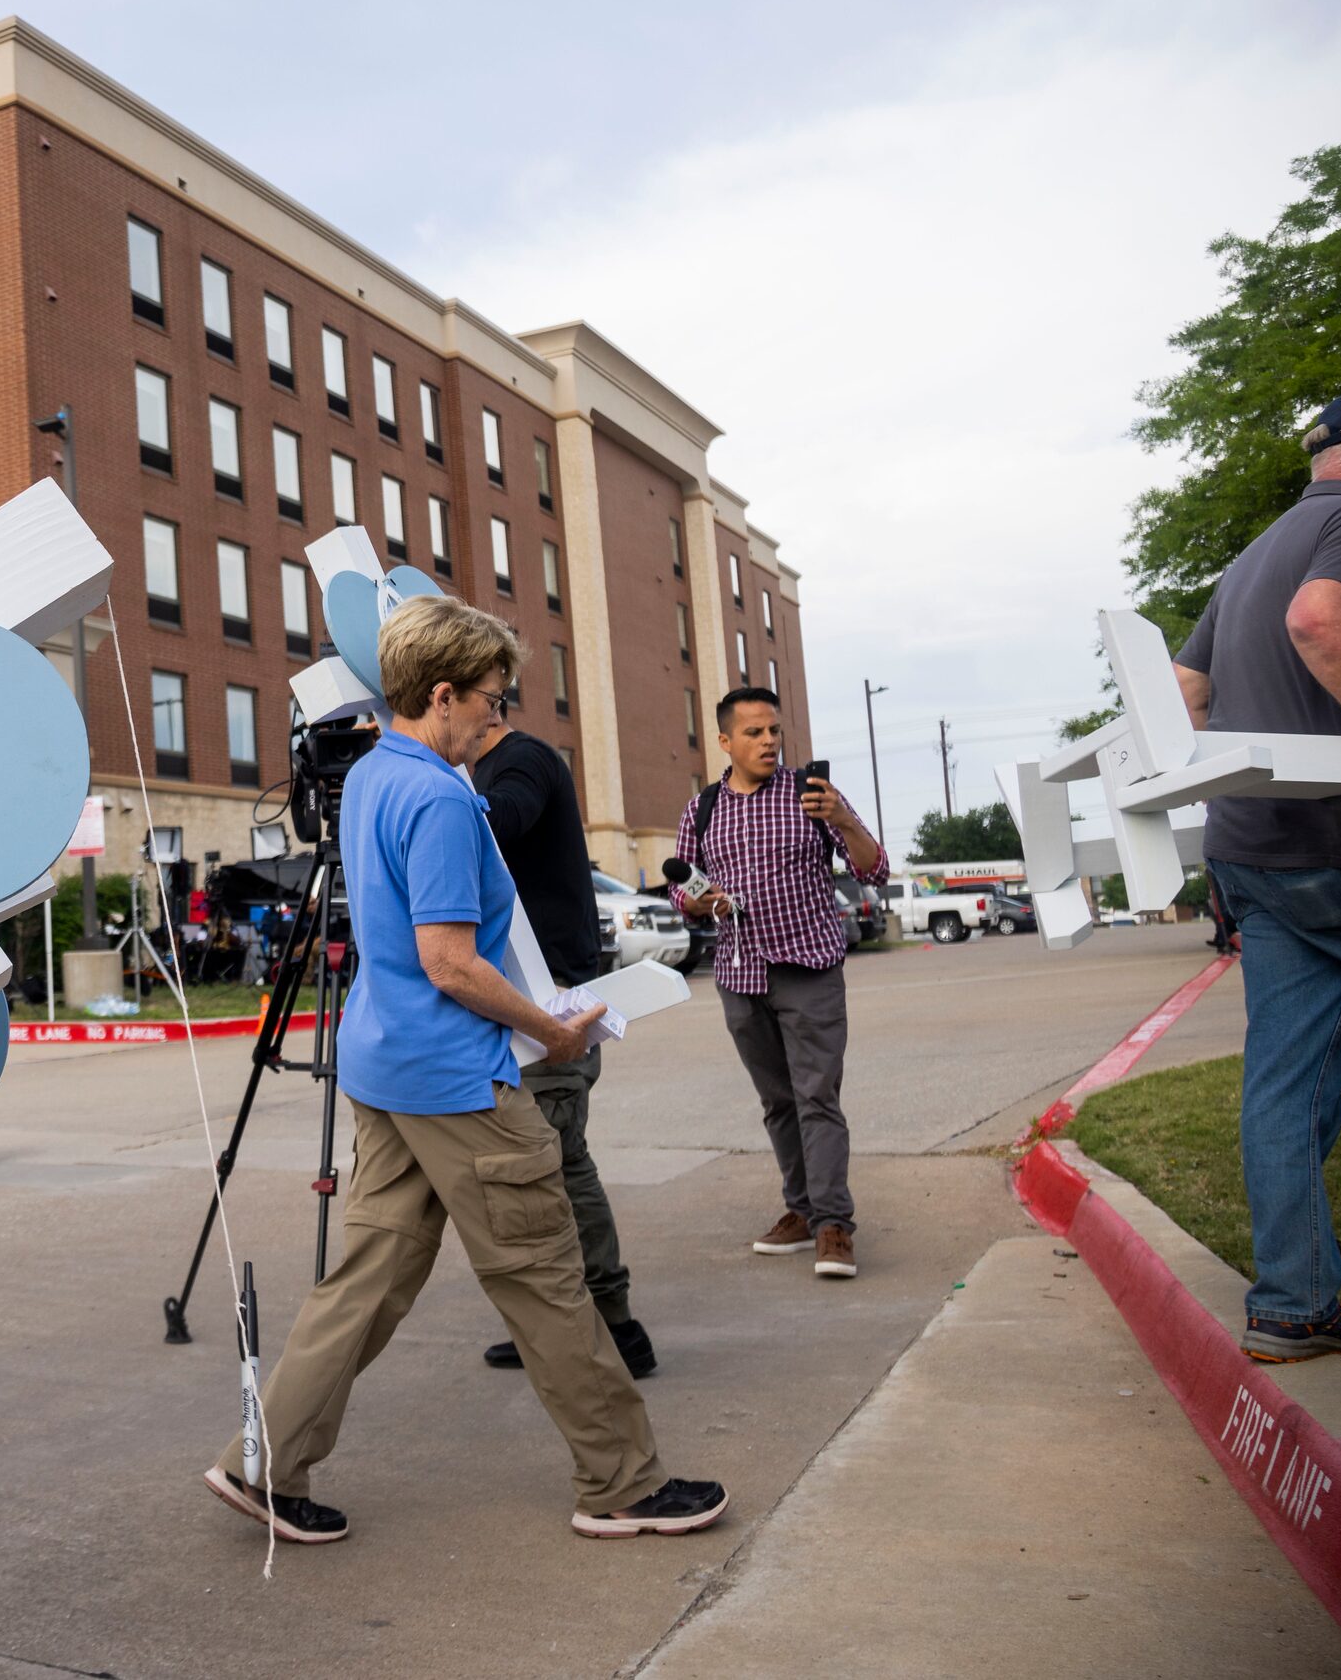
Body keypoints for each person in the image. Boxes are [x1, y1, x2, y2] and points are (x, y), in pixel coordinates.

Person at [203, 595, 726, 1545]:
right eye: (493, 696)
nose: (502, 714)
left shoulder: (368, 776)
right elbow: (449, 959)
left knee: (364, 1278)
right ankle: (620, 1483)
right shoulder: (442, 796)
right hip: (457, 1076)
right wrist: (552, 1029)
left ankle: (263, 1462)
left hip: (383, 1063)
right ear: (441, 694)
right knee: (545, 1277)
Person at [1172, 388, 1341, 1364]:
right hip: (1338, 844)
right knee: (1291, 1079)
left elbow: (1183, 693)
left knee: (1283, 1080)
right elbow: (1321, 621)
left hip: (1250, 849)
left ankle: (1290, 1302)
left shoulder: (1247, 555)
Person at [667, 686, 889, 1281]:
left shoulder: (810, 796)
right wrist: (701, 900)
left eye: (774, 731)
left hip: (808, 969)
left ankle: (834, 1225)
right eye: (754, 733)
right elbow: (681, 885)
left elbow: (875, 867)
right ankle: (800, 1210)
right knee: (777, 1102)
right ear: (725, 741)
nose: (769, 742)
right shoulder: (704, 808)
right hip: (739, 974)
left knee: (817, 1096)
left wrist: (842, 817)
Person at [469, 693, 656, 1379]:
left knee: (557, 1162)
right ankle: (551, 1323)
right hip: (517, 999)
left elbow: (501, 819)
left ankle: (616, 1327)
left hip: (549, 1004)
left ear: (486, 703)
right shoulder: (485, 769)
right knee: (532, 1168)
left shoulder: (523, 761)